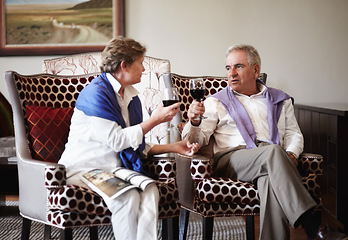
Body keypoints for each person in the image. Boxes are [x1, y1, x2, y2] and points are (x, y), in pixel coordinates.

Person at [182, 44, 347, 240]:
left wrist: (292, 154)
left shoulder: (280, 99)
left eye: (238, 67)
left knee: (270, 179)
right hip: (232, 159)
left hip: (272, 161)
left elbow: (295, 134)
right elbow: (195, 141)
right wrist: (194, 121)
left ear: (255, 69)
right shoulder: (215, 102)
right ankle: (312, 224)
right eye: (228, 68)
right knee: (274, 152)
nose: (231, 73)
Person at [59, 36, 199, 240]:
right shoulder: (95, 93)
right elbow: (117, 140)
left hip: (112, 169)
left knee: (150, 190)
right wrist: (155, 120)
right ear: (124, 65)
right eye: (140, 63)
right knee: (128, 196)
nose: (143, 69)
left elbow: (135, 144)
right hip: (84, 168)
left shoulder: (131, 96)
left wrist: (174, 147)